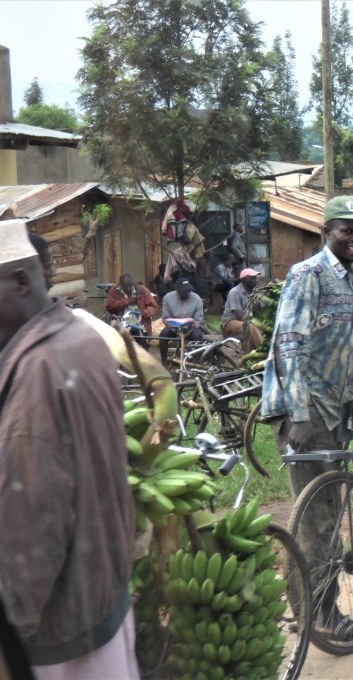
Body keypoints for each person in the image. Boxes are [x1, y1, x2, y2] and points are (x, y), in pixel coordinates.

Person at [0, 219, 138, 678]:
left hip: (64, 636)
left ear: (21, 282)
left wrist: (12, 626)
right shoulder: (80, 338)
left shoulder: (37, 375)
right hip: (103, 597)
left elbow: (34, 524)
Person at [259, 196, 353, 640]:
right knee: (317, 521)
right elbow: (290, 347)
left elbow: (344, 349)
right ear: (327, 231)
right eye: (347, 229)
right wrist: (298, 416)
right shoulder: (308, 275)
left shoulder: (349, 281)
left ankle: (317, 609)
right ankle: (318, 615)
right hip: (308, 413)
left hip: (335, 412)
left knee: (327, 515)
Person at [158, 277, 204, 366]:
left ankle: (198, 362)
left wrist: (192, 325)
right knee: (163, 335)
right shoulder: (167, 298)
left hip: (191, 328)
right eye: (184, 291)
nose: (187, 293)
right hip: (173, 327)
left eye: (188, 291)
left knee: (197, 335)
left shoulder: (197, 299)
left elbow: (199, 320)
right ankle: (163, 361)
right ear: (177, 290)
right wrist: (173, 326)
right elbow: (166, 318)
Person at [106, 273, 159, 347]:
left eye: (129, 286)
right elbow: (110, 307)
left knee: (143, 345)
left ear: (133, 284)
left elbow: (154, 307)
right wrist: (126, 301)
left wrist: (144, 312)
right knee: (121, 346)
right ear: (120, 285)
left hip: (140, 323)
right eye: (125, 287)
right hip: (121, 323)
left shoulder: (142, 290)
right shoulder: (114, 291)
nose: (128, 288)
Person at [221, 268, 264, 350]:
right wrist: (256, 324)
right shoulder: (234, 292)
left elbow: (259, 311)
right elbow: (239, 315)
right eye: (253, 278)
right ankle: (262, 349)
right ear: (244, 280)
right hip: (230, 323)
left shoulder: (255, 292)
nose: (256, 280)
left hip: (246, 322)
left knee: (253, 329)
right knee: (249, 328)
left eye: (256, 278)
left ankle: (250, 356)